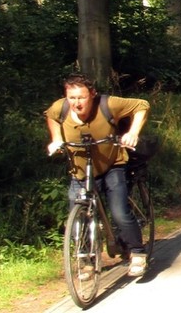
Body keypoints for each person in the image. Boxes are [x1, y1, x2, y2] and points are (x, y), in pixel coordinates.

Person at [45, 73, 150, 277]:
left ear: (92, 94)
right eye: (72, 98)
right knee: (78, 219)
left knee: (119, 212)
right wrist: (56, 138)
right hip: (80, 171)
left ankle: (137, 252)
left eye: (81, 97)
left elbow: (142, 105)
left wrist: (133, 133)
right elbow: (51, 116)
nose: (76, 103)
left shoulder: (108, 104)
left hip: (112, 166)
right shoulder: (61, 107)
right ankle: (86, 261)